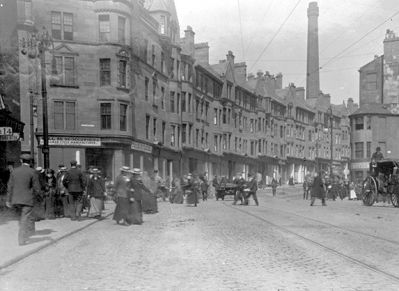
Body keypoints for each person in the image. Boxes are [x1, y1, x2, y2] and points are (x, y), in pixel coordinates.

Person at [6, 154, 41, 246]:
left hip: (15, 200)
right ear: (30, 162)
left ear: (21, 161)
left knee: (20, 219)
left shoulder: (14, 171)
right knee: (25, 218)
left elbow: (9, 186)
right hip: (27, 200)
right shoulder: (32, 172)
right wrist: (38, 198)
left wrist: (8, 200)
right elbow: (37, 188)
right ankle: (22, 238)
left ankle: (24, 235)